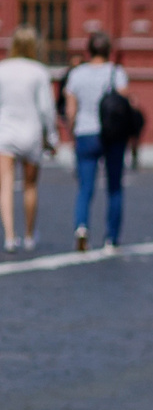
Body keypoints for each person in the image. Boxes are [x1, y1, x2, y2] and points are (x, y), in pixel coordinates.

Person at [60, 32, 128, 253]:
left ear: (88, 50)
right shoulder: (116, 73)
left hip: (85, 133)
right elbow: (124, 105)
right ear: (109, 51)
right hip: (112, 135)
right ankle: (112, 239)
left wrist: (72, 133)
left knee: (85, 188)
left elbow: (70, 111)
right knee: (114, 187)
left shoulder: (77, 74)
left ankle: (81, 228)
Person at [0, 28, 51, 253]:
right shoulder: (39, 71)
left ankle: (10, 237)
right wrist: (51, 137)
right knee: (30, 186)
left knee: (5, 186)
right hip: (31, 132)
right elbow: (46, 109)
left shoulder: (2, 69)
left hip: (6, 132)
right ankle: (29, 235)